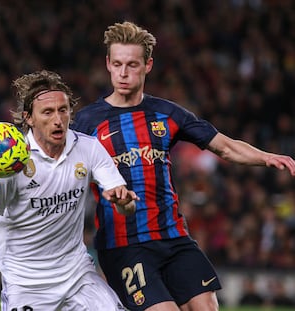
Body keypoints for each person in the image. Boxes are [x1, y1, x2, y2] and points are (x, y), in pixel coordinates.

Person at [71, 21, 295, 311]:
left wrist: (266, 157)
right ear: (107, 64)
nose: (123, 73)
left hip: (174, 237)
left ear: (148, 65)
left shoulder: (168, 114)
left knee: (207, 307)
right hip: (124, 245)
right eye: (117, 64)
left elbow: (224, 146)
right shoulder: (86, 123)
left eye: (132, 64)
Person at [0, 70, 138, 311]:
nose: (58, 119)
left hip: (77, 276)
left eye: (63, 110)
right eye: (48, 112)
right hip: (25, 283)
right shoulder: (11, 160)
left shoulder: (89, 148)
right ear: (29, 118)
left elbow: (127, 205)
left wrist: (123, 203)